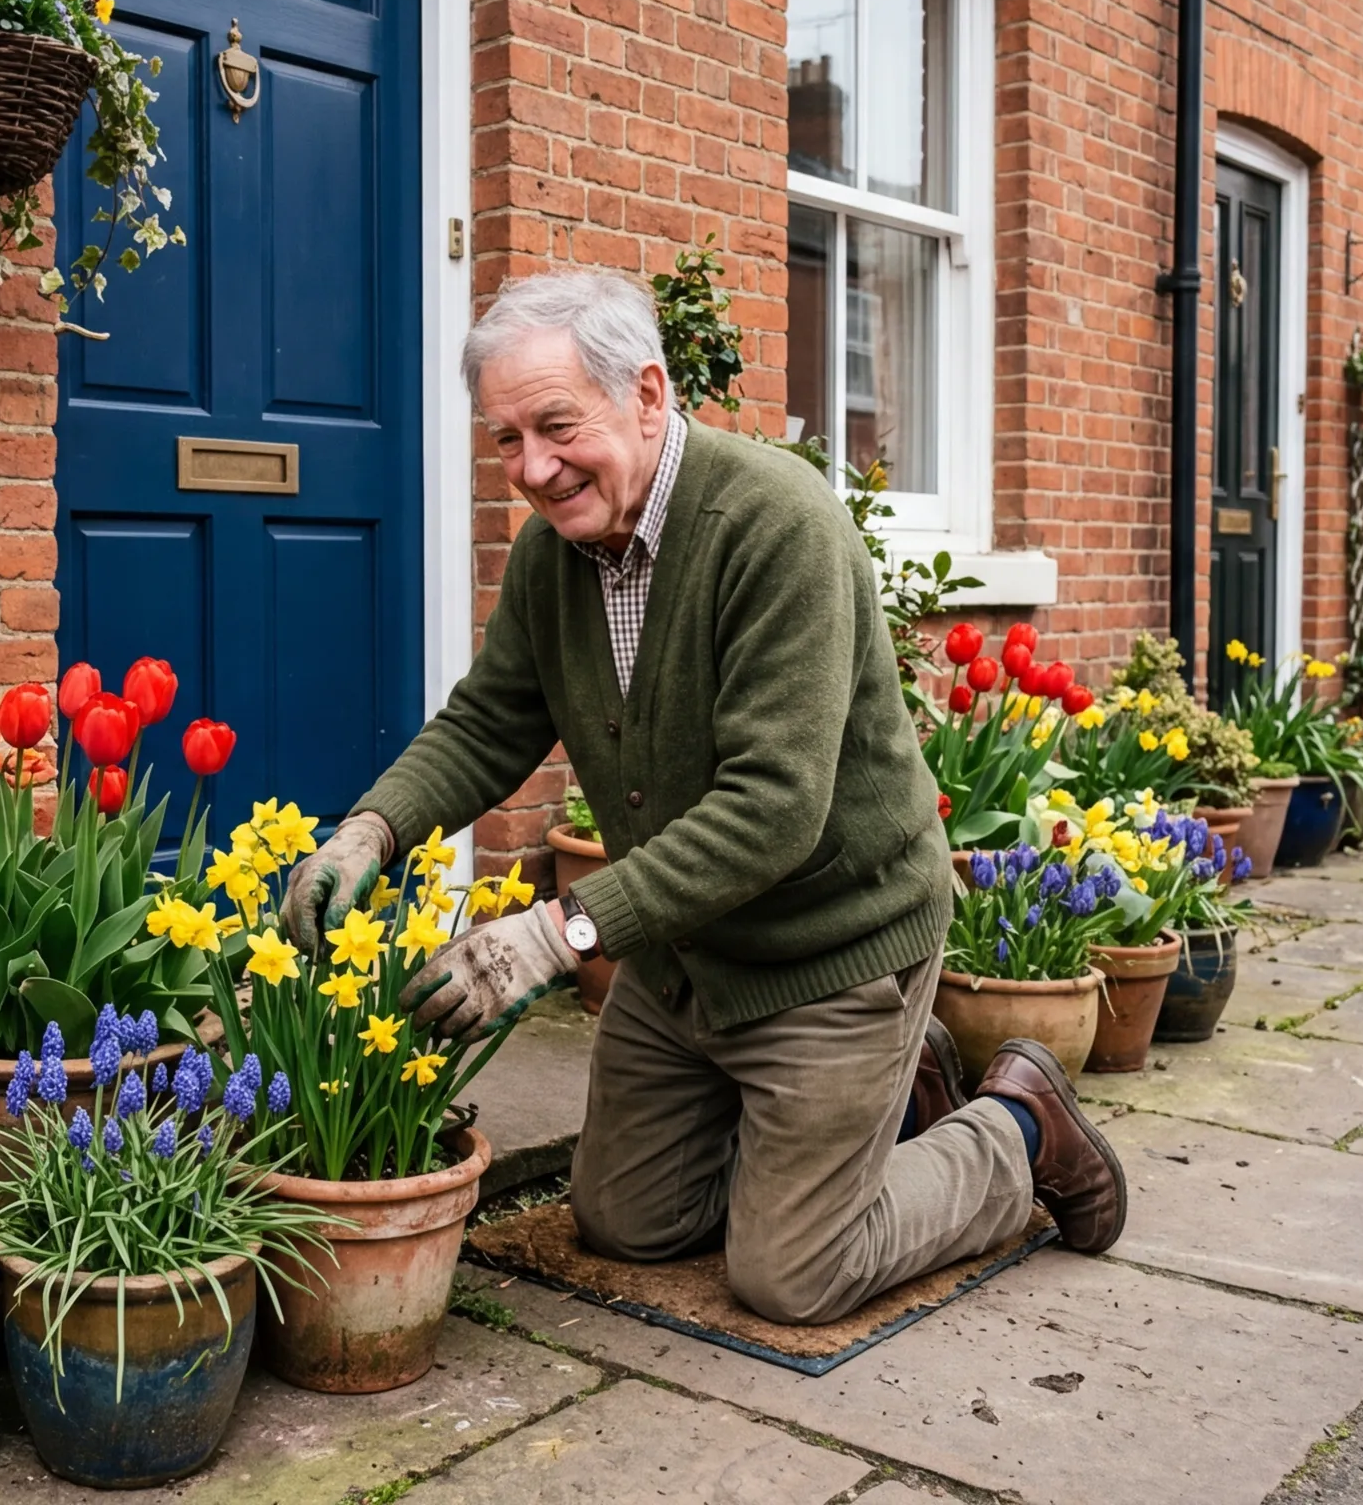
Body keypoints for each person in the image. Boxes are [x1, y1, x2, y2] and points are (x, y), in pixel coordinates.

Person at [279, 268, 1126, 1325]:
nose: (533, 469)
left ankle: (1015, 1131)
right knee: (626, 1220)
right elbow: (490, 721)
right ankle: (880, 1103)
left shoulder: (776, 525)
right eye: (506, 440)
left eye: (556, 426)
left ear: (646, 394)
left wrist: (550, 937)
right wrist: (370, 830)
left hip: (829, 948)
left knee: (794, 1275)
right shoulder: (554, 553)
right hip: (685, 955)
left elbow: (772, 809)